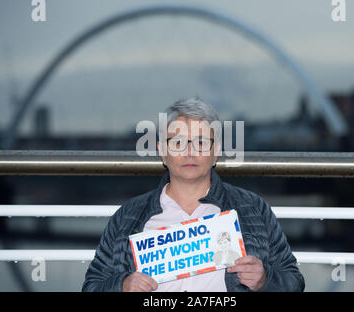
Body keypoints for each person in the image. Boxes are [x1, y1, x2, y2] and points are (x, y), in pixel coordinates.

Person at [82, 97, 305, 292]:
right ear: (162, 151)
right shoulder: (129, 216)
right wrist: (122, 286)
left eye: (200, 142)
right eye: (178, 142)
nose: (189, 151)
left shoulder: (253, 209)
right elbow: (92, 285)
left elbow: (294, 281)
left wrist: (265, 281)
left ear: (216, 151)